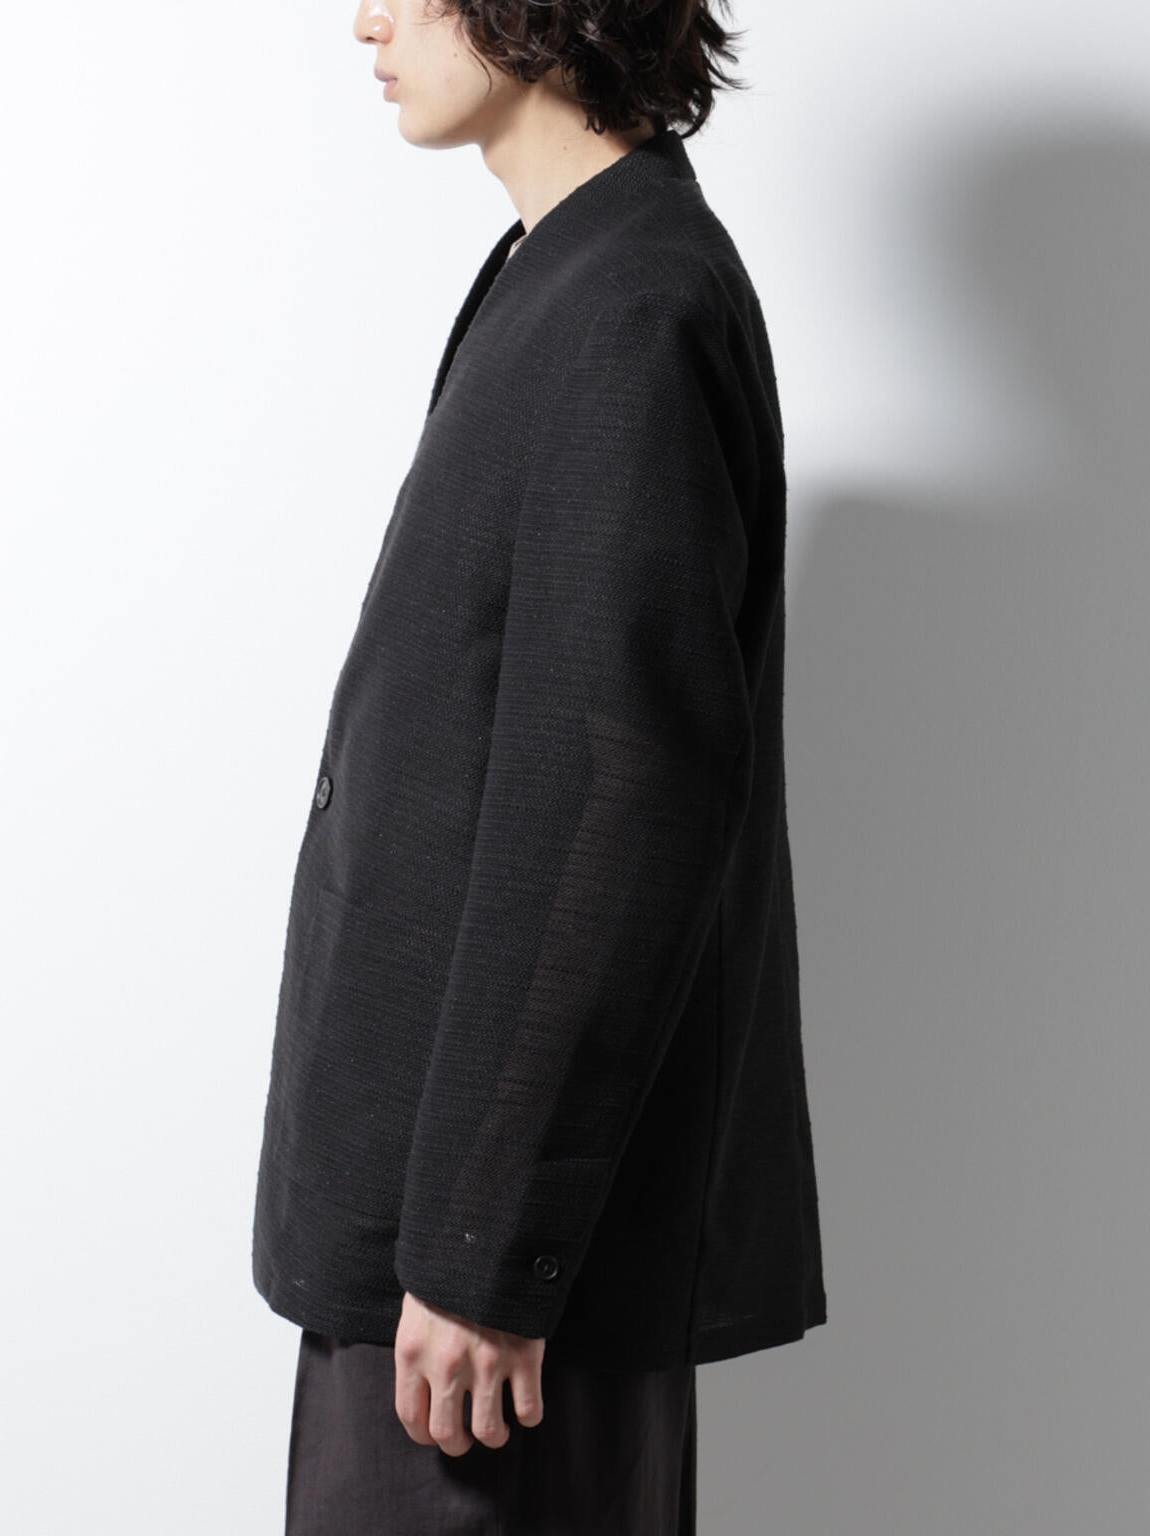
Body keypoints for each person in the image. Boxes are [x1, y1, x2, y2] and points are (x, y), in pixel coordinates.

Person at [252, 2, 827, 1529]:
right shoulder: (564, 268)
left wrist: (486, 1255)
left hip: (484, 1295)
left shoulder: (630, 302)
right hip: (441, 1246)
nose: (365, 20)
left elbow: (616, 804)